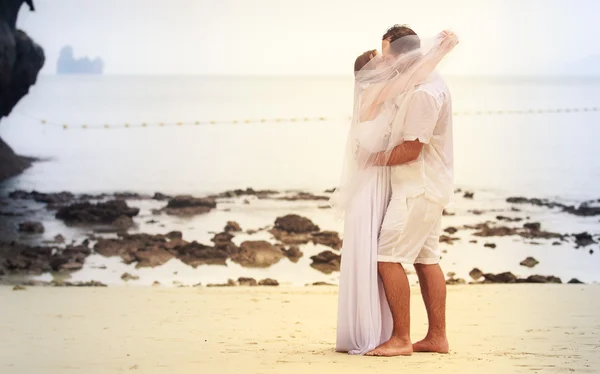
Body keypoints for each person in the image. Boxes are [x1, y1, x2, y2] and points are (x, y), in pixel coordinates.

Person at [332, 25, 458, 356]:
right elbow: (403, 81)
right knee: (425, 259)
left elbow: (411, 150)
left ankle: (401, 339)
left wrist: (371, 158)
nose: (384, 62)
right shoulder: (420, 82)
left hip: (417, 188)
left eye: (387, 54)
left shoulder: (420, 93)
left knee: (387, 257)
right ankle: (437, 337)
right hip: (424, 186)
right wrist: (440, 51)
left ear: (402, 56)